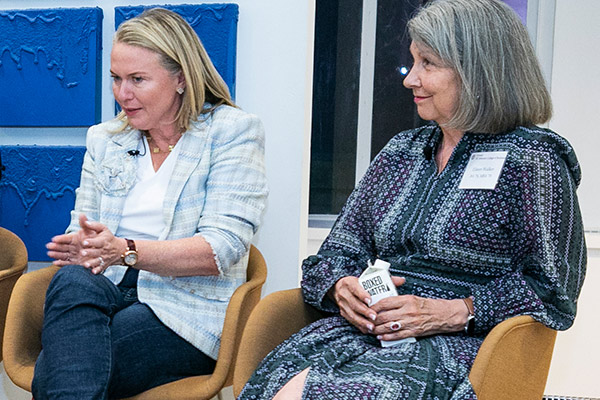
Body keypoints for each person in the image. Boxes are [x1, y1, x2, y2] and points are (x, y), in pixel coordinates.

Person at [238, 0, 586, 399]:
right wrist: (341, 288)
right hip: (367, 331)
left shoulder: (532, 160)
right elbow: (332, 256)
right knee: (280, 386)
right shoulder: (402, 151)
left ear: (478, 72)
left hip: (462, 344)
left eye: (428, 64)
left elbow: (552, 289)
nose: (410, 79)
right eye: (413, 61)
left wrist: (454, 312)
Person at [33, 8, 267, 399]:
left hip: (185, 305)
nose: (123, 94)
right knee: (71, 280)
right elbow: (83, 231)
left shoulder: (232, 132)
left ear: (181, 79)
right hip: (106, 286)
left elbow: (219, 250)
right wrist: (83, 247)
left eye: (138, 79)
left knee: (59, 373)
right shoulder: (105, 139)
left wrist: (123, 251)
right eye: (116, 79)